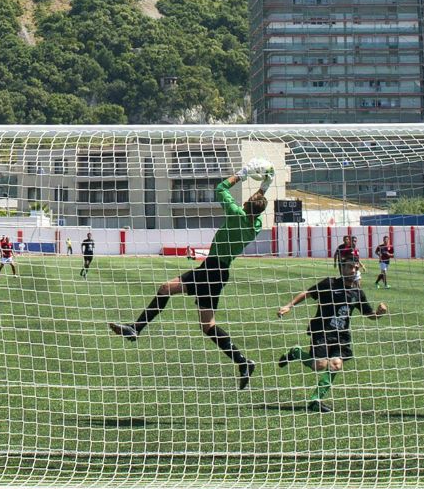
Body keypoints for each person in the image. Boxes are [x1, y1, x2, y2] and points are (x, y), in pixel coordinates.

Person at [108, 169, 271, 389]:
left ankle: (136, 328)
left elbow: (221, 188)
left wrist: (242, 174)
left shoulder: (235, 214)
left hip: (210, 269)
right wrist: (265, 186)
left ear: (246, 204)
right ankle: (243, 362)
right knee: (207, 325)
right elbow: (256, 206)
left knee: (166, 289)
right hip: (219, 272)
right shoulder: (256, 226)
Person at [276, 256, 388, 412]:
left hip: (341, 336)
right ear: (342, 268)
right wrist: (289, 306)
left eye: (356, 268)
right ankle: (296, 352)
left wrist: (379, 313)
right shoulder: (329, 283)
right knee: (319, 365)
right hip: (322, 330)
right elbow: (308, 293)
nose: (353, 270)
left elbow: (370, 315)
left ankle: (315, 400)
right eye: (350, 267)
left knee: (336, 365)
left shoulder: (357, 293)